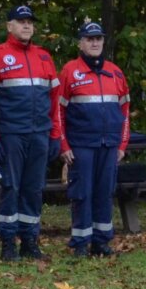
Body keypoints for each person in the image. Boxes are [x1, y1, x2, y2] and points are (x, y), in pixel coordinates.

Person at [0, 3, 59, 260]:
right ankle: (7, 242)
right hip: (11, 134)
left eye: (30, 21)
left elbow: (55, 101)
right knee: (11, 186)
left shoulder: (44, 57)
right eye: (21, 21)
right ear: (9, 26)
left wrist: (55, 135)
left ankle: (30, 240)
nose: (27, 25)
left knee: (34, 187)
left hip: (39, 133)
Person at [56, 20, 130, 257]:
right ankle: (80, 243)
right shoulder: (70, 71)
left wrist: (122, 144)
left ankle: (101, 241)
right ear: (81, 43)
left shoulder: (115, 72)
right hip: (81, 145)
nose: (95, 42)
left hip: (109, 145)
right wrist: (63, 144)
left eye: (98, 38)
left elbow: (125, 111)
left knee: (104, 192)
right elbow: (58, 111)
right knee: (82, 194)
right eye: (90, 39)